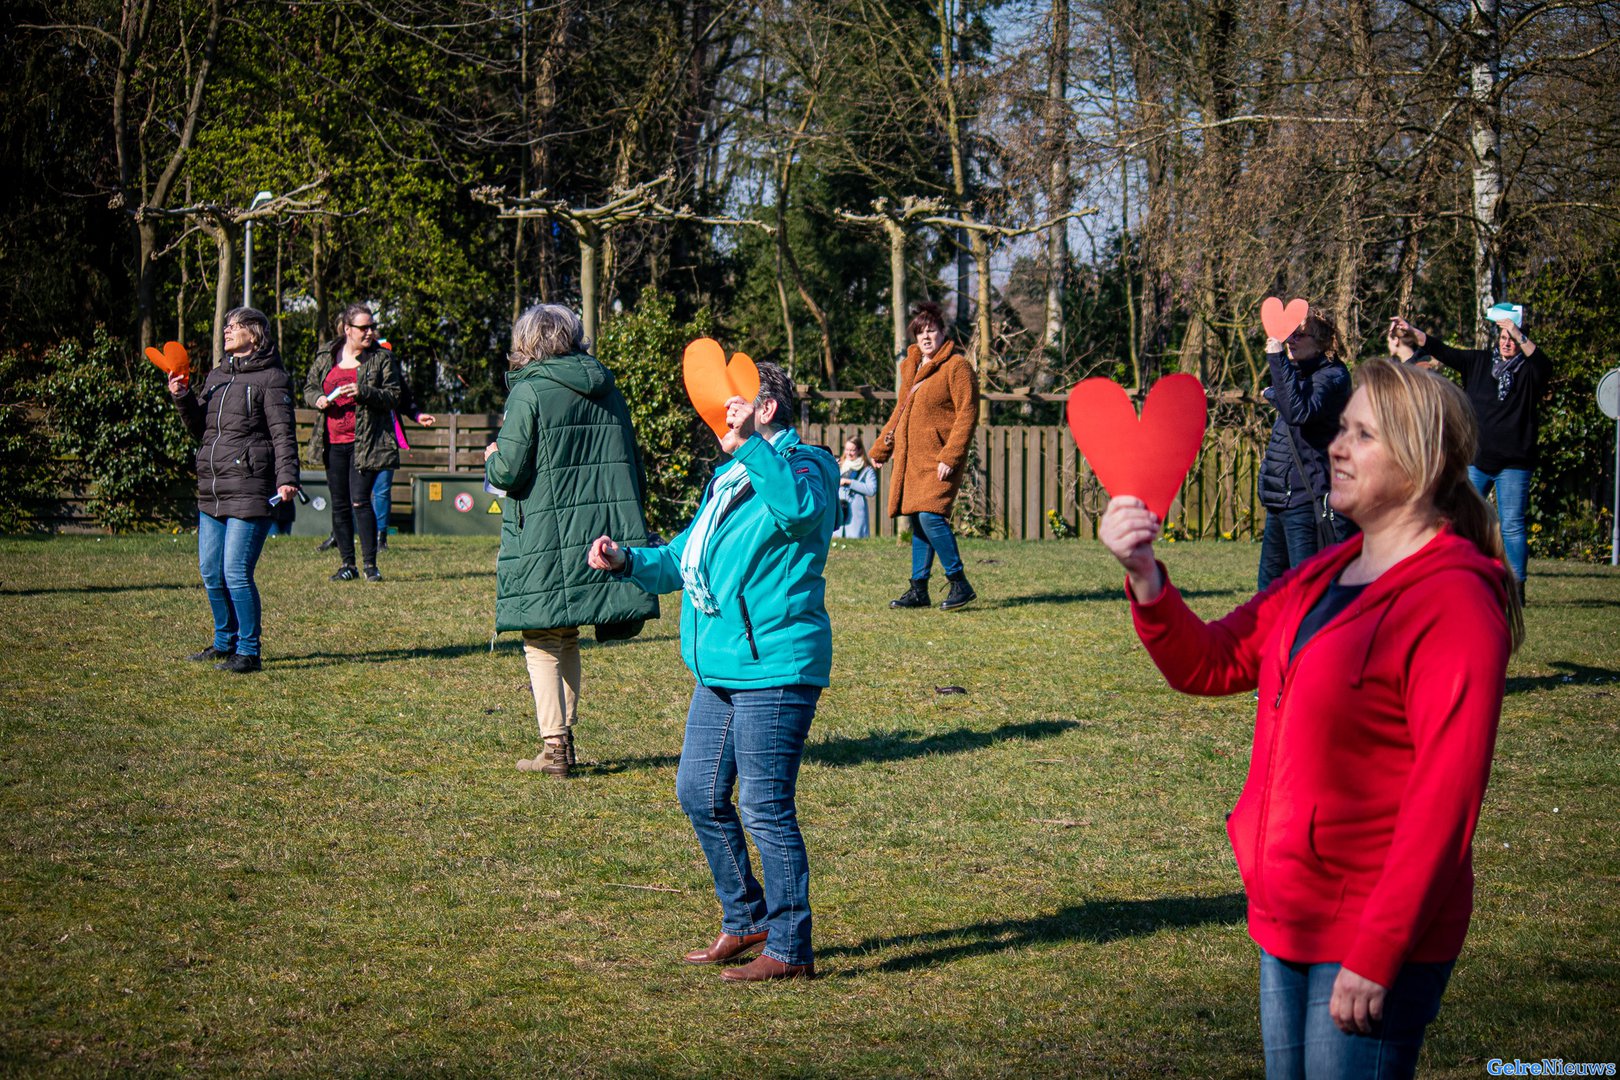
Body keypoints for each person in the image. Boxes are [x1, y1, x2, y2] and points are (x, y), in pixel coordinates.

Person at [1099, 358, 1521, 1079]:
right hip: (1287, 918)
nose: (1337, 446)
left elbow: (1445, 802)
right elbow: (1212, 662)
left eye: (1361, 433)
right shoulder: (1326, 573)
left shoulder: (1454, 604)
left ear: (1418, 463)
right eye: (1341, 429)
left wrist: (1380, 950)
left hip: (1370, 939)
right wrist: (1145, 575)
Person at [586, 362, 838, 982]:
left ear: (767, 409)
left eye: (735, 404)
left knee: (763, 806)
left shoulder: (809, 466)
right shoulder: (728, 479)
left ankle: (789, 947)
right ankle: (746, 916)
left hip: (775, 666)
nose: (719, 414)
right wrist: (625, 559)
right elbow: (682, 557)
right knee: (697, 794)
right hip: (719, 667)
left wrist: (751, 443)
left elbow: (801, 513)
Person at [484, 304, 658, 778]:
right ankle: (566, 737)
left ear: (529, 342)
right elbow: (630, 462)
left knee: (541, 637)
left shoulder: (529, 390)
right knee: (568, 633)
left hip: (543, 529)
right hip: (598, 529)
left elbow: (510, 470)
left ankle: (555, 747)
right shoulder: (606, 386)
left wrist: (492, 457)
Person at [169, 307, 300, 674]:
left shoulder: (273, 379)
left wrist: (287, 477)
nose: (227, 331)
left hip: (251, 487)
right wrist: (182, 396)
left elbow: (283, 434)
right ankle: (224, 642)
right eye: (226, 326)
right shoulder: (216, 375)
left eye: (235, 326)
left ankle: (249, 651)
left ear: (255, 334)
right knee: (211, 571)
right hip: (212, 489)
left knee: (236, 571)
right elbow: (202, 429)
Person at [1389, 307, 1550, 602]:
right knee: (1459, 518)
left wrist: (1519, 333)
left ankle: (1516, 586)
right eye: (1502, 337)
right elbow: (1442, 349)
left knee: (1512, 524)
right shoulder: (1478, 362)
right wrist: (1412, 331)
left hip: (1514, 463)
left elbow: (1544, 365)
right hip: (1477, 459)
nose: (1507, 343)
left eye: (1511, 338)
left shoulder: (1528, 372)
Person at [870, 300, 980, 610]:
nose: (926, 337)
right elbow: (900, 411)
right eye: (921, 333)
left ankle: (959, 582)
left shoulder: (957, 367)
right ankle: (919, 588)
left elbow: (967, 415)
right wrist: (882, 447)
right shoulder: (913, 369)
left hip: (939, 459)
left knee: (931, 516)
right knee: (919, 520)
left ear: (944, 333)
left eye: (932, 331)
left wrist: (951, 456)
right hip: (913, 460)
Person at [304, 303, 402, 582]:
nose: (370, 332)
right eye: (364, 327)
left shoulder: (381, 359)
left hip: (366, 442)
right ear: (348, 329)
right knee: (340, 503)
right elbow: (309, 387)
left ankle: (371, 565)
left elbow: (394, 396)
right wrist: (317, 399)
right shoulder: (327, 355)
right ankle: (348, 564)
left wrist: (364, 392)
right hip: (333, 442)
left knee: (360, 500)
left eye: (372, 326)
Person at [1257, 311, 1354, 590]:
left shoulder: (1332, 376)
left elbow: (1299, 411)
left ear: (1322, 341)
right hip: (1279, 500)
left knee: (1307, 592)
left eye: (1299, 334)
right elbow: (1291, 405)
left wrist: (1275, 364)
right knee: (1268, 594)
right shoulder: (1297, 373)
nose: (1290, 340)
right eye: (1289, 334)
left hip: (1306, 502)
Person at [371, 339, 435, 551]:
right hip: (353, 437)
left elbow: (404, 396)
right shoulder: (348, 360)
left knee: (381, 489)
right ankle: (342, 534)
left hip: (386, 436)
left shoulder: (389, 363)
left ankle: (381, 538)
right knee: (352, 492)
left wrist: (417, 415)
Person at [833, 435, 877, 539]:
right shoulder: (838, 465)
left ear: (859, 450)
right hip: (839, 510)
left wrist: (850, 482)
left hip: (856, 514)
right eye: (847, 449)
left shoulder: (867, 469)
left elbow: (872, 490)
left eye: (852, 450)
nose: (849, 453)